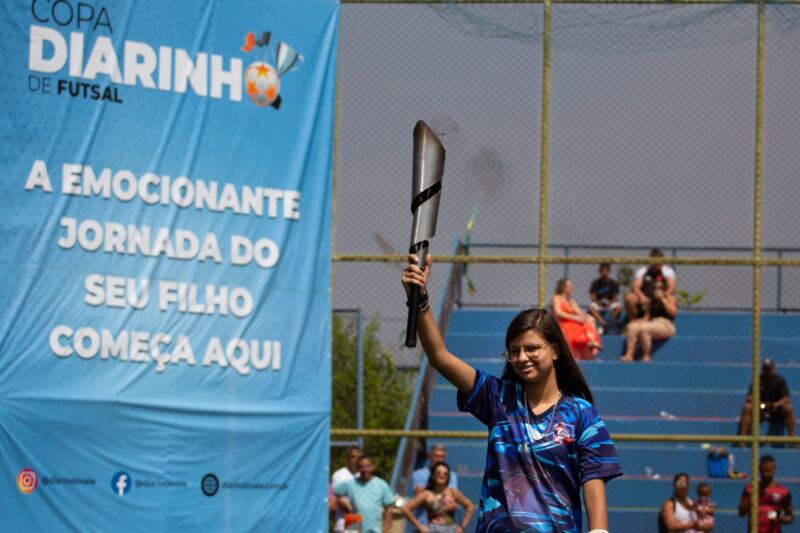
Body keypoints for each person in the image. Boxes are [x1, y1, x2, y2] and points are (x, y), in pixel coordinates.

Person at [402, 254, 622, 533]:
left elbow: (593, 484)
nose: (522, 357)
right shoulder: (497, 397)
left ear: (554, 350)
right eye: (514, 351)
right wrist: (420, 300)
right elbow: (439, 357)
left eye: (532, 348)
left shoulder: (582, 414)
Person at [403, 461, 474, 533]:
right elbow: (406, 509)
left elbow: (470, 506)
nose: (442, 475)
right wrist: (420, 526)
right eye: (438, 473)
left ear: (448, 477)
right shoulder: (426, 494)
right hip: (432, 530)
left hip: (451, 530)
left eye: (445, 474)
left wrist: (462, 527)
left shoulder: (453, 492)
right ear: (433, 475)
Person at [620, 272, 677, 362]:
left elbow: (673, 313)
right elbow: (647, 316)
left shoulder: (670, 298)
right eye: (656, 288)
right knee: (632, 327)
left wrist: (663, 299)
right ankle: (629, 355)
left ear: (664, 288)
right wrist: (638, 321)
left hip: (666, 324)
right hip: (653, 322)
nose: (657, 290)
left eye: (660, 288)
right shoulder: (652, 301)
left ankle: (646, 356)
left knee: (644, 329)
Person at [334, 455, 395, 533]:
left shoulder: (381, 484)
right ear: (357, 468)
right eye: (361, 467)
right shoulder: (351, 484)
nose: (365, 469)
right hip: (353, 528)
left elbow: (389, 509)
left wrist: (386, 529)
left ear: (372, 467)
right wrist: (342, 502)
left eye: (367, 466)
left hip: (374, 530)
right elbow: (333, 491)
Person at [737, 359, 796, 439]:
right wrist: (760, 404)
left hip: (775, 408)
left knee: (788, 408)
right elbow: (750, 397)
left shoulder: (779, 380)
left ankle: (792, 439)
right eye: (765, 369)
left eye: (769, 369)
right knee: (747, 407)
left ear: (773, 369)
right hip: (761, 407)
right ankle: (743, 438)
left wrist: (776, 404)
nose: (767, 372)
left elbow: (786, 398)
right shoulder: (758, 380)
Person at [738, 455, 794, 532]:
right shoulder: (750, 489)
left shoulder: (783, 491)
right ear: (759, 470)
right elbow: (741, 512)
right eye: (762, 471)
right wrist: (754, 496)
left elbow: (790, 517)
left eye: (768, 471)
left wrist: (780, 519)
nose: (765, 474)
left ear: (774, 469)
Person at [551, 277, 602, 360]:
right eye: (570, 286)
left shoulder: (572, 302)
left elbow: (581, 314)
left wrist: (586, 317)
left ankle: (591, 341)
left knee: (589, 320)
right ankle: (589, 348)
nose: (572, 288)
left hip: (573, 323)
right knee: (575, 330)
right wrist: (574, 317)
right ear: (563, 287)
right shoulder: (557, 298)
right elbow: (558, 313)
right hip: (562, 324)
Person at [411, 444, 459, 529]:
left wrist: (426, 491)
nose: (439, 459)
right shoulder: (418, 474)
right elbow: (418, 498)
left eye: (442, 456)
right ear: (430, 456)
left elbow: (451, 498)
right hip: (423, 525)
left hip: (445, 526)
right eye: (436, 456)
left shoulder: (452, 476)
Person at [625, 248, 677, 320]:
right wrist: (641, 296)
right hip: (645, 298)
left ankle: (669, 322)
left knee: (672, 299)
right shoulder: (643, 270)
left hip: (661, 296)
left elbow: (672, 288)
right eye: (654, 259)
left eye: (658, 259)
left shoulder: (667, 271)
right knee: (630, 298)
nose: (656, 262)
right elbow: (635, 287)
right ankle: (633, 321)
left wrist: (663, 296)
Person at [332, 446, 363, 532]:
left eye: (358, 458)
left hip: (363, 524)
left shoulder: (363, 475)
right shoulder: (339, 475)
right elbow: (340, 500)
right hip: (346, 523)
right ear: (348, 458)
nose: (356, 460)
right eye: (353, 457)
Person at [588, 263, 623, 335]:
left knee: (619, 307)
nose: (604, 272)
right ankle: (602, 323)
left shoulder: (613, 283)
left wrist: (609, 304)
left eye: (606, 270)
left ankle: (608, 322)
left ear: (609, 271)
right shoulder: (595, 283)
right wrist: (599, 302)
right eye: (603, 271)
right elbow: (593, 298)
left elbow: (615, 298)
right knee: (591, 306)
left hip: (610, 304)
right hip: (599, 304)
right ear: (599, 271)